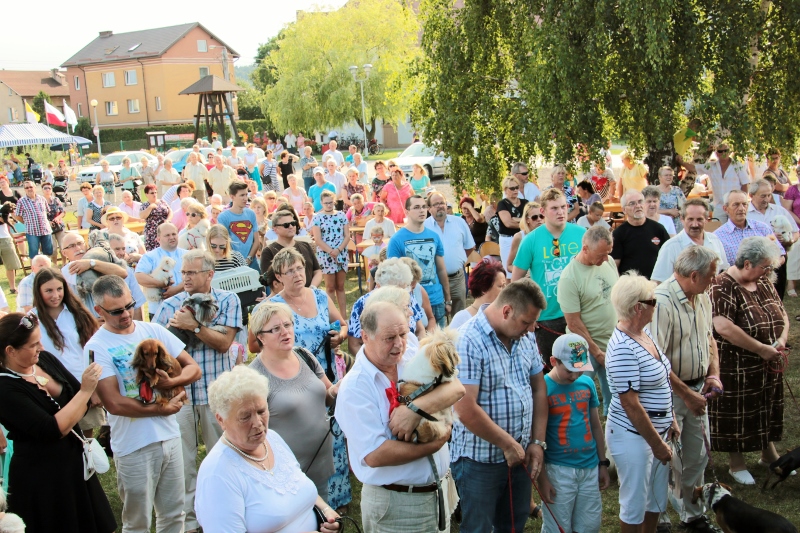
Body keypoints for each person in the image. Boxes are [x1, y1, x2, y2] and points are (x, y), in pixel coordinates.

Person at [337, 299, 464, 531]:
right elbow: (374, 454)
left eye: (403, 334)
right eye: (389, 338)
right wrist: (437, 442)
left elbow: (456, 387)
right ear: (365, 336)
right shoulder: (354, 388)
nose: (399, 344)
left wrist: (415, 409)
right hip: (397, 505)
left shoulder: (411, 355)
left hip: (437, 493)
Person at [89, 275, 200, 533]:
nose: (127, 314)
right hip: (133, 446)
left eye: (129, 305)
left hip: (170, 437)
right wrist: (161, 408)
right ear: (99, 311)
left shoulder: (153, 331)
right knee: (137, 523)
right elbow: (114, 403)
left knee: (174, 516)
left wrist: (170, 384)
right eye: (116, 311)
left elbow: (192, 369)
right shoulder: (97, 347)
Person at [0, 312, 116, 533]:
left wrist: (81, 399)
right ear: (10, 351)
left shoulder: (44, 360)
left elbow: (78, 402)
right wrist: (85, 392)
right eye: (33, 345)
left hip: (75, 464)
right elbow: (52, 429)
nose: (41, 347)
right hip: (42, 477)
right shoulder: (5, 388)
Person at [153, 250, 240, 533]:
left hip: (217, 393)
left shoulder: (228, 300)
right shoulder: (170, 305)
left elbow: (225, 343)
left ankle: (223, 515)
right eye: (184, 273)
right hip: (182, 396)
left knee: (223, 458)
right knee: (183, 461)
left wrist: (195, 327)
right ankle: (189, 522)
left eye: (192, 273)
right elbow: (157, 350)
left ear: (209, 274)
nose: (186, 278)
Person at [451, 278, 548, 533]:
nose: (530, 329)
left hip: (520, 455)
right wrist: (507, 443)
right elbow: (464, 408)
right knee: (478, 527)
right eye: (526, 322)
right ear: (506, 311)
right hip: (479, 460)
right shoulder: (468, 340)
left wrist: (537, 443)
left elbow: (539, 388)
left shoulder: (524, 337)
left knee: (513, 525)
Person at [195, 365, 341, 533]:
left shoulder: (272, 439)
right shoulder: (217, 474)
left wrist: (326, 511)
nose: (258, 423)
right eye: (245, 417)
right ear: (221, 420)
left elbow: (297, 487)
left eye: (261, 411)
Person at [266, 248, 351, 512]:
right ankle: (306, 501)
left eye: (300, 268)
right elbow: (256, 343)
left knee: (333, 434)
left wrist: (340, 336)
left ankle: (338, 499)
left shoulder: (319, 296)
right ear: (279, 276)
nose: (296, 274)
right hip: (295, 381)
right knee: (307, 435)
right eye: (289, 270)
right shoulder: (273, 307)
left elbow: (343, 325)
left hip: (328, 374)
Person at [649, 246, 722, 532]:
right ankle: (660, 517)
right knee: (667, 456)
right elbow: (656, 357)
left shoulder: (702, 297)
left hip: (698, 390)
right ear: (694, 275)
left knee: (698, 455)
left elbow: (709, 339)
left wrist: (713, 375)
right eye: (711, 275)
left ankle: (692, 515)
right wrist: (686, 395)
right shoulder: (661, 302)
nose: (714, 280)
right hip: (670, 393)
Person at [708, 236, 789, 485]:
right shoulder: (722, 285)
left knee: (766, 405)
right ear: (746, 263)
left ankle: (769, 453)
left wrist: (781, 339)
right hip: (736, 365)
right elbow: (723, 326)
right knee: (737, 411)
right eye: (765, 267)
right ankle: (736, 462)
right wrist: (760, 348)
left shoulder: (763, 281)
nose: (769, 272)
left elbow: (782, 311)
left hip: (767, 361)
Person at [605, 272, 679, 533]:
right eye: (653, 301)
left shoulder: (644, 334)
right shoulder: (623, 347)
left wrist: (670, 417)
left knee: (655, 500)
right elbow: (631, 405)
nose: (656, 306)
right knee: (635, 502)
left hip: (656, 431)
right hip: (634, 435)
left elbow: (661, 379)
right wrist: (657, 444)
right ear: (639, 307)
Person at [248, 302, 337, 500]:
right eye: (276, 329)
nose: (285, 332)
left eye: (287, 325)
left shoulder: (304, 356)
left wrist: (336, 390)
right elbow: (251, 432)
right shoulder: (255, 378)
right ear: (261, 337)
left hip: (320, 462)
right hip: (284, 475)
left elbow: (327, 396)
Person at [538, 334, 610, 533]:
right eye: (570, 370)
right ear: (554, 361)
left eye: (580, 369)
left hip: (589, 467)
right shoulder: (543, 388)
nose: (575, 376)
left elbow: (595, 425)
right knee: (558, 526)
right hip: (559, 470)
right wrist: (542, 477)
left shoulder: (586, 385)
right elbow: (538, 436)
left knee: (589, 525)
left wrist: (602, 463)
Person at [512, 188, 586, 361]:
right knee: (552, 369)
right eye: (554, 208)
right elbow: (516, 283)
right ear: (543, 211)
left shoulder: (582, 234)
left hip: (578, 313)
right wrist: (528, 314)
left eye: (563, 207)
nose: (561, 212)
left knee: (577, 366)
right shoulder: (531, 240)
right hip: (547, 317)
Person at [32, 266, 105, 435]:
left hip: (82, 383)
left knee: (86, 435)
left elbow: (93, 350)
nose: (55, 295)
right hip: (53, 387)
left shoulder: (77, 314)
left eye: (59, 289)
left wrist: (94, 389)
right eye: (48, 290)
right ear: (38, 291)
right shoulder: (33, 319)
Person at [557, 225, 618, 415]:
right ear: (585, 249)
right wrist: (597, 352)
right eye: (601, 254)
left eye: (608, 253)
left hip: (612, 343)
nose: (605, 259)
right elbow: (573, 323)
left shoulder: (608, 263)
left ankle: (610, 434)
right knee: (575, 399)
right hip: (581, 347)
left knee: (616, 401)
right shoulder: (569, 277)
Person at [388, 195, 452, 327]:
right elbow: (392, 276)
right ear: (407, 211)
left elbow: (441, 269)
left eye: (423, 207)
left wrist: (448, 299)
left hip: (436, 299)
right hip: (410, 303)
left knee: (438, 344)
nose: (421, 210)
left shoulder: (434, 236)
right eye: (416, 207)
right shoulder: (396, 240)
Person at [346, 259, 427, 356]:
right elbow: (354, 344)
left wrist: (419, 354)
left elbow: (420, 330)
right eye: (396, 290)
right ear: (380, 286)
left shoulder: (408, 297)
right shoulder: (363, 304)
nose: (402, 293)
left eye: (405, 287)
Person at [424, 191, 475, 315]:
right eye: (436, 204)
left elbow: (470, 246)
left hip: (457, 278)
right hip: (435, 280)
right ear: (429, 208)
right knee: (437, 316)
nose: (440, 206)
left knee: (460, 315)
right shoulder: (424, 227)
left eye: (442, 203)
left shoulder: (459, 223)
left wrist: (457, 260)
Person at [747, 179, 799, 298]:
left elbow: (796, 232)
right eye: (763, 196)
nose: (767, 199)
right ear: (751, 195)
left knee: (777, 295)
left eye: (769, 195)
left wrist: (789, 240)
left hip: (778, 259)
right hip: (755, 260)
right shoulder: (746, 213)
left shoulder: (779, 210)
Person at [59, 231, 129, 315]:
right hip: (86, 321)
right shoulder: (67, 269)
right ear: (64, 253)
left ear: (86, 245)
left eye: (80, 243)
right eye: (72, 246)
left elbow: (123, 273)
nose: (78, 248)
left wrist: (91, 263)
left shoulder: (98, 261)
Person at [679, 143, 749, 223]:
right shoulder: (711, 166)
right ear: (716, 153)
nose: (723, 153)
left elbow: (745, 184)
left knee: (737, 228)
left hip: (736, 205)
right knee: (717, 230)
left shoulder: (738, 165)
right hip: (719, 206)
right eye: (720, 151)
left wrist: (744, 202)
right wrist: (681, 162)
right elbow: (694, 168)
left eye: (725, 151)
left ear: (729, 152)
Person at [715, 189, 785, 267]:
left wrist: (767, 268)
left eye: (744, 204)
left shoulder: (762, 228)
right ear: (725, 209)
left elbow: (781, 255)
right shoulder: (718, 237)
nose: (741, 208)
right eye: (736, 204)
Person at [611, 189, 671, 279]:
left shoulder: (658, 229)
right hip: (631, 287)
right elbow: (614, 267)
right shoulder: (618, 234)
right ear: (624, 210)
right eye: (632, 203)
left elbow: (669, 258)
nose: (638, 206)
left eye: (640, 202)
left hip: (656, 284)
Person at [135, 223, 187, 319]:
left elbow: (196, 276)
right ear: (158, 239)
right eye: (167, 235)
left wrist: (177, 289)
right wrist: (161, 284)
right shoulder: (150, 257)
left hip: (185, 309)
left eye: (174, 234)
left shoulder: (187, 255)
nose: (171, 237)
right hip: (159, 310)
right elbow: (139, 277)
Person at [260, 209, 322, 288]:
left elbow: (317, 271)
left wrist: (311, 288)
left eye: (293, 223)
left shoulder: (305, 246)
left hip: (310, 294)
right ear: (275, 229)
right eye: (286, 225)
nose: (291, 226)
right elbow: (272, 281)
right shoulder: (269, 251)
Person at [449, 257, 507, 330]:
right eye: (500, 286)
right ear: (484, 288)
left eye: (505, 285)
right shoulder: (462, 319)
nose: (505, 290)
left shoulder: (504, 315)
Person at [218, 181, 261, 269]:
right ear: (232, 197)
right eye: (242, 195)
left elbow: (256, 240)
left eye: (246, 194)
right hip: (233, 265)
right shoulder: (223, 217)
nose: (245, 198)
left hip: (252, 263)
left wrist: (249, 259)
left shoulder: (251, 214)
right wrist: (238, 262)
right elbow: (223, 243)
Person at [108, 234, 147, 321]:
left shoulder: (128, 271)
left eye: (123, 249)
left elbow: (137, 304)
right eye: (117, 249)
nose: (122, 253)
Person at [496, 176, 528, 272]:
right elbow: (508, 223)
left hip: (523, 237)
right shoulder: (502, 204)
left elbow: (531, 219)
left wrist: (517, 219)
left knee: (524, 267)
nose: (515, 190)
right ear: (506, 190)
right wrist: (524, 222)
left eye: (517, 187)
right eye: (512, 188)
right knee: (509, 270)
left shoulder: (525, 203)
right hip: (508, 239)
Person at [13, 181, 53, 258]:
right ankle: (35, 270)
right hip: (32, 231)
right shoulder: (21, 201)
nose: (29, 189)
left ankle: (48, 269)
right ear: (24, 189)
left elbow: (47, 211)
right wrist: (26, 222)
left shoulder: (42, 199)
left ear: (35, 188)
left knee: (48, 252)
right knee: (34, 254)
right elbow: (17, 215)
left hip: (45, 230)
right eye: (27, 188)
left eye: (31, 187)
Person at [506, 201, 544, 268]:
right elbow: (509, 265)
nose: (539, 219)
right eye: (534, 217)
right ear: (527, 220)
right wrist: (524, 271)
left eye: (541, 216)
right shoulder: (519, 237)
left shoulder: (549, 235)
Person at [140, 184, 172, 251]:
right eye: (152, 193)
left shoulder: (162, 201)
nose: (154, 194)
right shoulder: (145, 205)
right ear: (146, 194)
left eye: (155, 192)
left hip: (164, 229)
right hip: (152, 232)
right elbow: (142, 216)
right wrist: (150, 207)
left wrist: (168, 220)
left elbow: (170, 211)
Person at [656, 166, 686, 232]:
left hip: (676, 226)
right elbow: (648, 210)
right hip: (659, 224)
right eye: (666, 175)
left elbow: (685, 207)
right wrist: (668, 211)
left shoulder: (677, 190)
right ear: (659, 177)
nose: (669, 177)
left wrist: (678, 212)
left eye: (671, 175)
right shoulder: (654, 191)